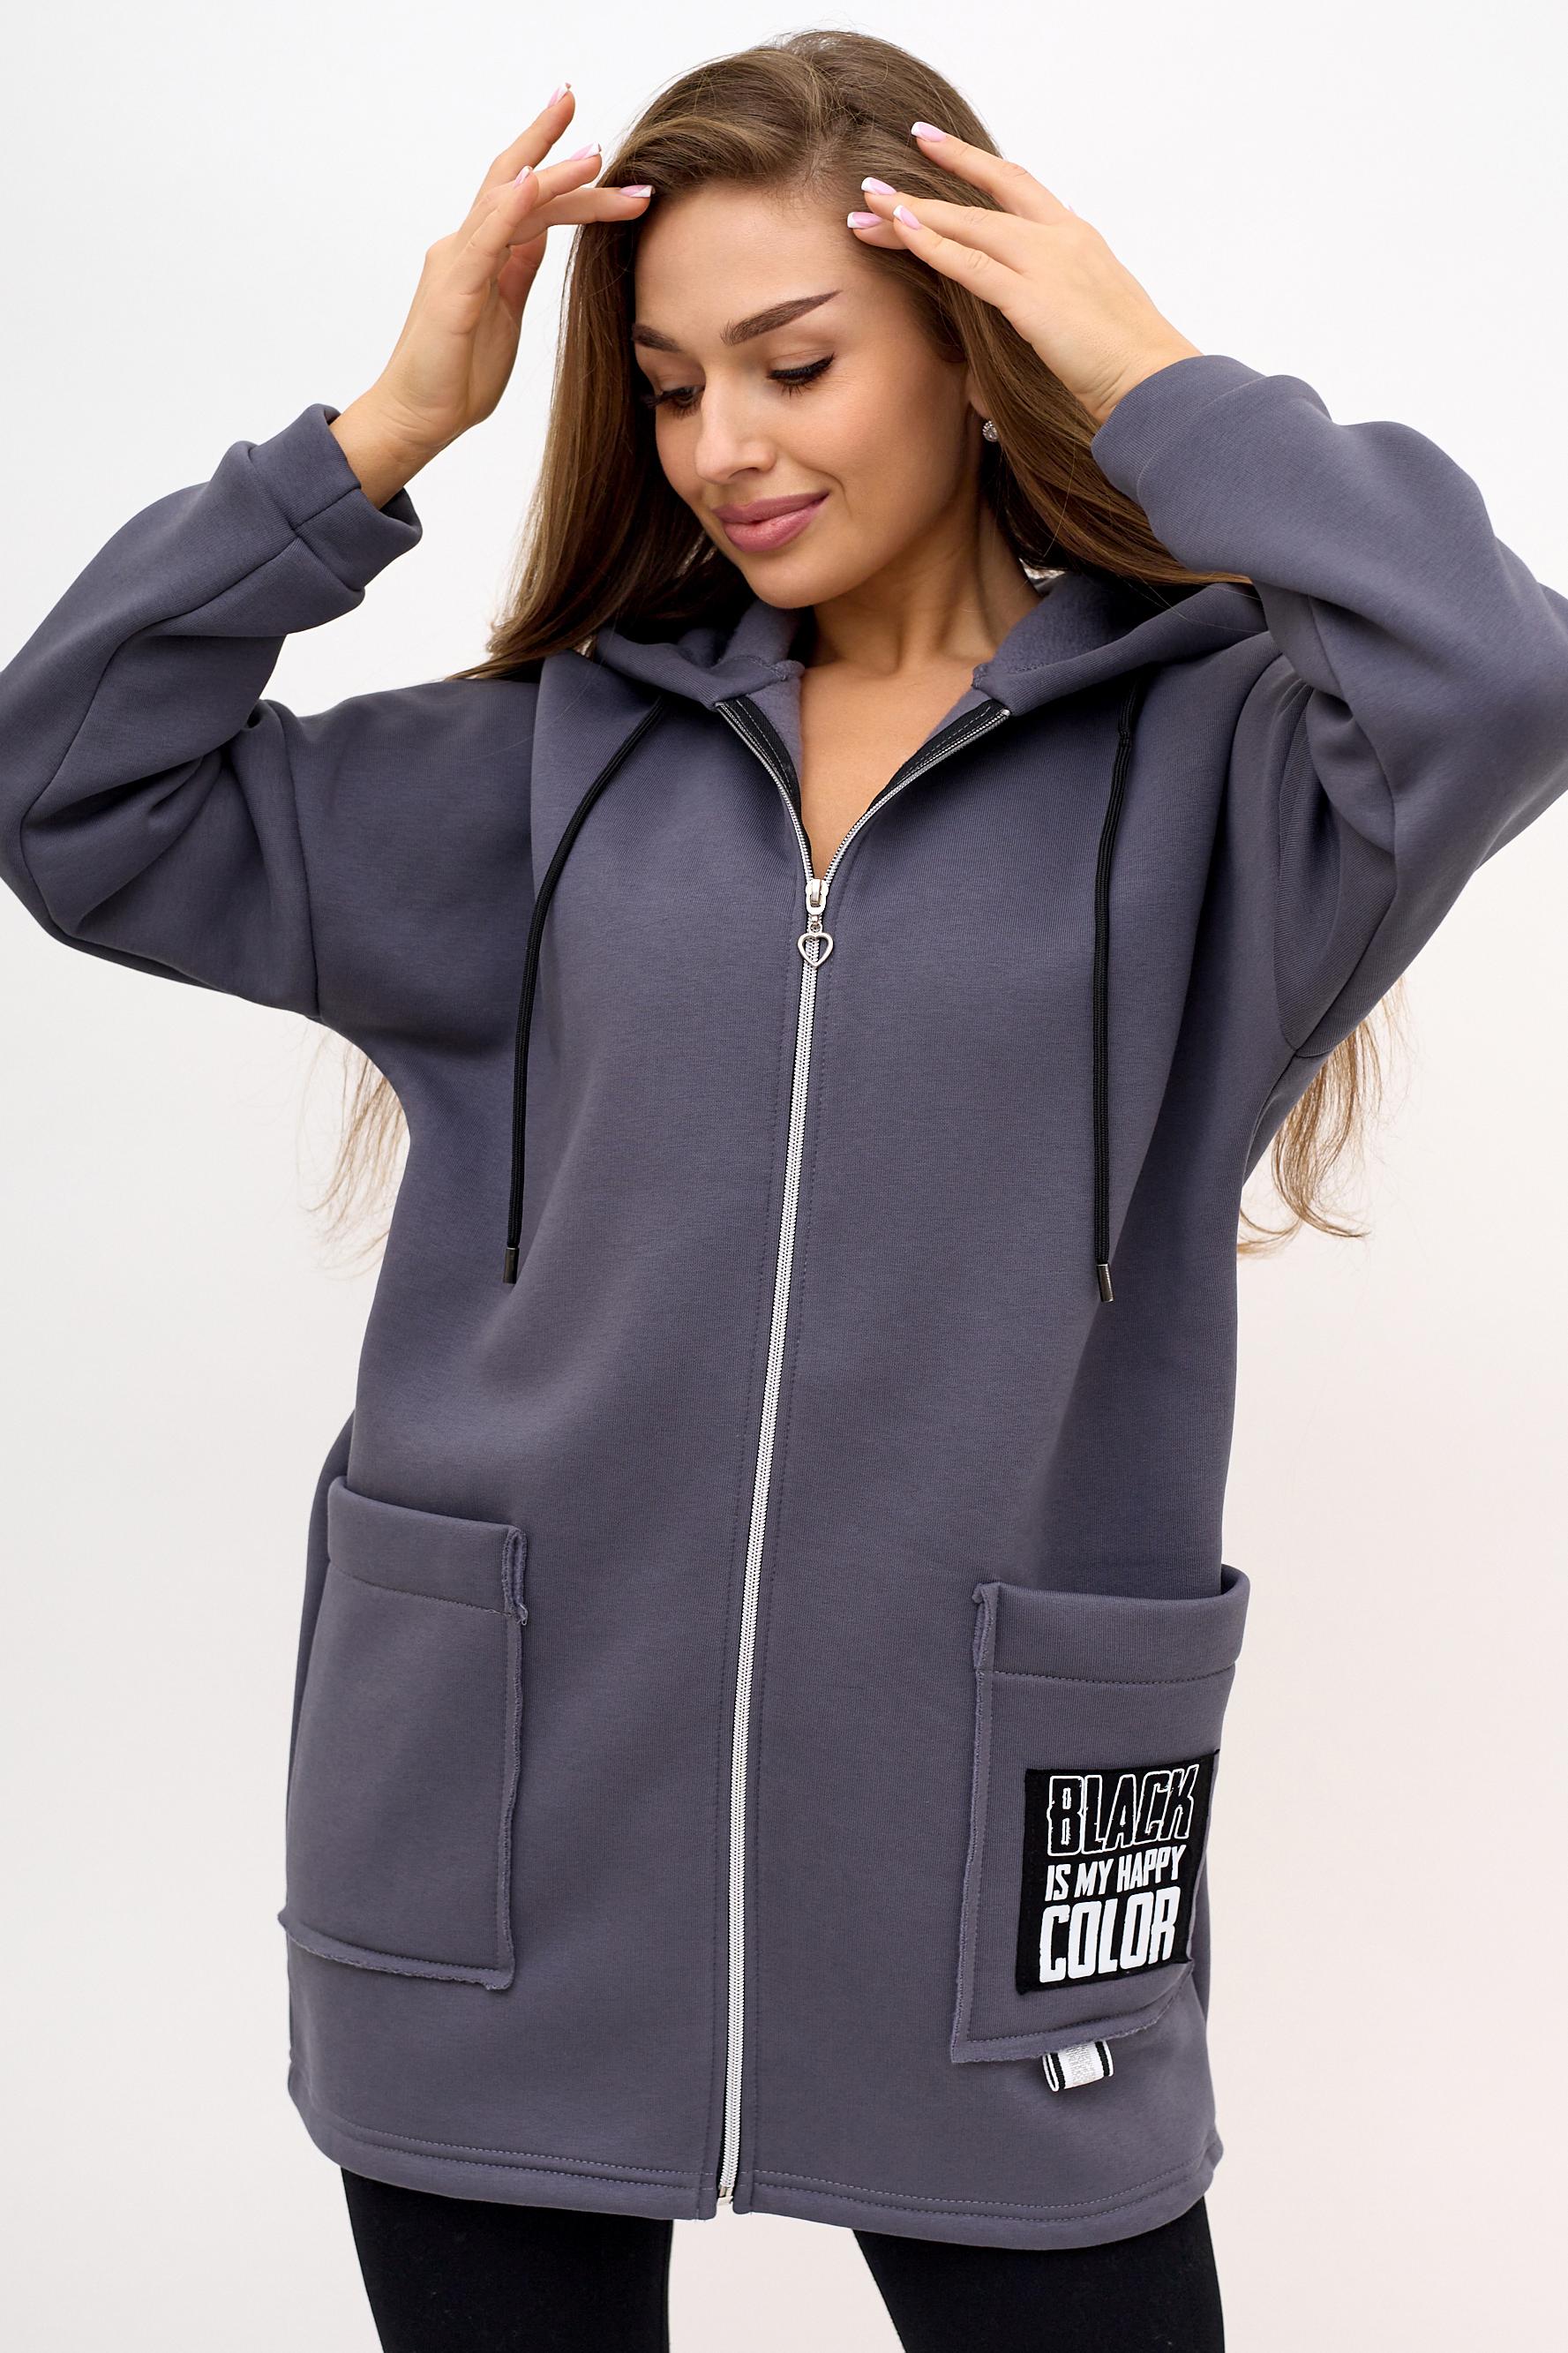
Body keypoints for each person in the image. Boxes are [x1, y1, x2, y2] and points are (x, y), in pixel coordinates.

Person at [3, 26, 1564, 2353]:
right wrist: (380, 434)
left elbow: (1498, 677)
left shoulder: (1221, 773)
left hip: (993, 1850)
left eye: (795, 362)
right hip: (494, 1843)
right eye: (667, 386)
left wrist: (1151, 376)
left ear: (969, 347)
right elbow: (68, 792)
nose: (722, 442)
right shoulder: (545, 768)